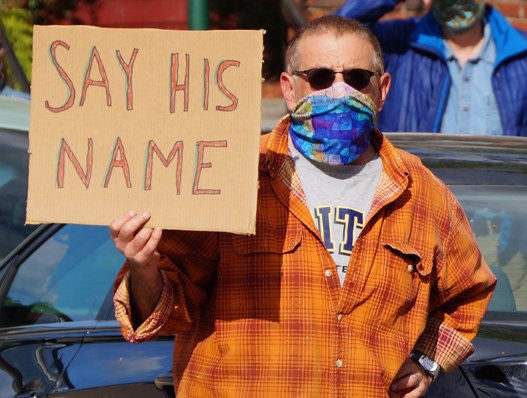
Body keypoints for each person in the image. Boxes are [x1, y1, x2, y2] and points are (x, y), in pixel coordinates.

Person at [109, 15, 496, 398]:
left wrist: (428, 361)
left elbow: (468, 292)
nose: (339, 91)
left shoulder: (421, 192)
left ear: (383, 89)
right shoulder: (231, 173)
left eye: (357, 78)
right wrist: (143, 267)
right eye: (321, 77)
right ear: (290, 88)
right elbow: (168, 307)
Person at [337, 0, 527, 138]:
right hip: (419, 206)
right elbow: (338, 32)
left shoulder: (526, 53)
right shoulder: (398, 44)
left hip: (502, 210)